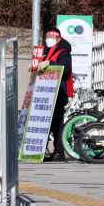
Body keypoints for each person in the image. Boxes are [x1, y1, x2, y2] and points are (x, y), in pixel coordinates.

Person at [36, 27, 73, 162]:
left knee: (57, 123)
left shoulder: (63, 52)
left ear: (58, 38)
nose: (48, 40)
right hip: (46, 92)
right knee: (47, 123)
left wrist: (50, 63)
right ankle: (43, 150)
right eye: (46, 38)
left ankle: (59, 152)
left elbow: (65, 67)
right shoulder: (47, 52)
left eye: (51, 38)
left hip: (58, 92)